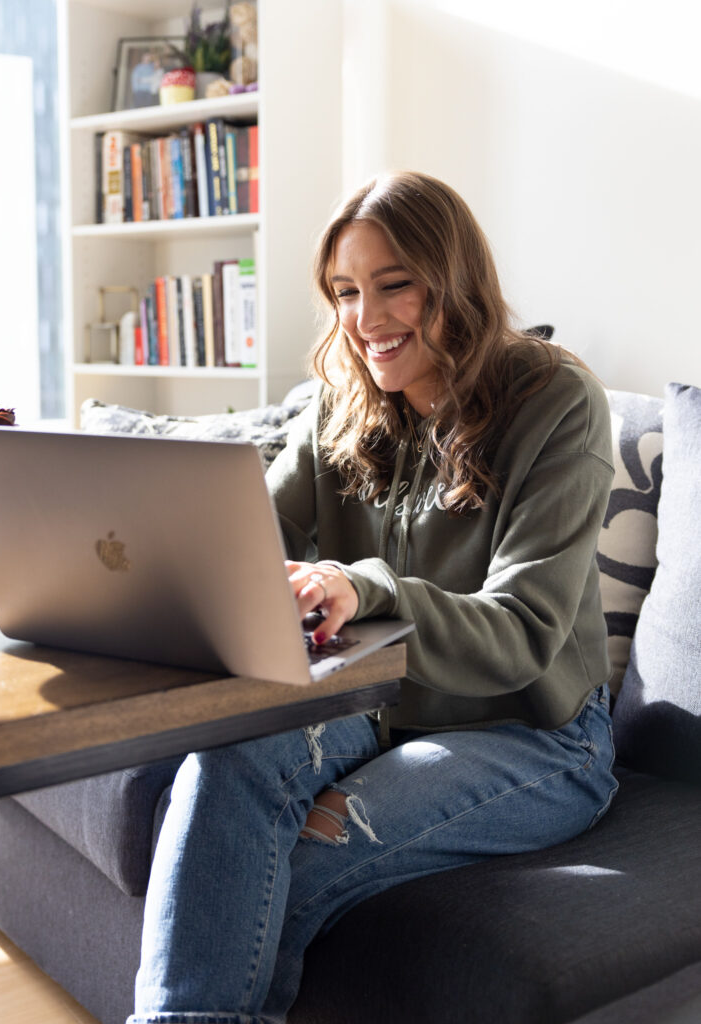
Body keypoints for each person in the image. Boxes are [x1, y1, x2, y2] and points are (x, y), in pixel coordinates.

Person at [128, 172, 618, 1024]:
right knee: (224, 761)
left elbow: (522, 634)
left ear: (455, 278)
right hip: (373, 704)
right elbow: (249, 537)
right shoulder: (342, 406)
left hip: (530, 733)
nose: (365, 320)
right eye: (345, 293)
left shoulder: (556, 404)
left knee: (279, 868)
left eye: (394, 285)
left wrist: (365, 586)